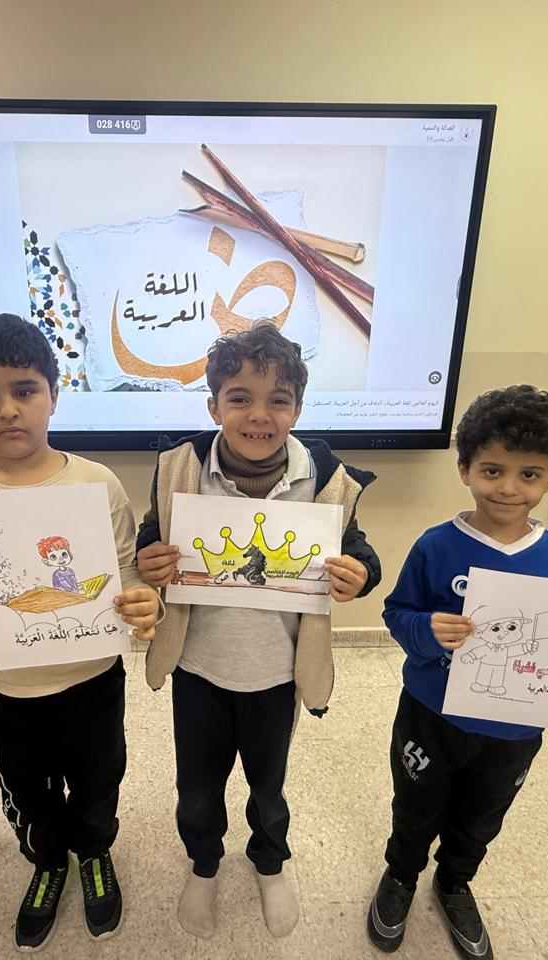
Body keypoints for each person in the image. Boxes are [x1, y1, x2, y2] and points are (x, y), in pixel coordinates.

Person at [366, 384, 548, 958]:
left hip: (516, 727)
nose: (509, 488)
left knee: (482, 815)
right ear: (464, 468)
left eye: (529, 475)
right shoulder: (436, 546)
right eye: (492, 470)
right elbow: (398, 613)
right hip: (433, 714)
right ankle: (401, 874)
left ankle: (454, 882)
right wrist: (426, 629)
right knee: (415, 806)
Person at [0, 313, 160, 952]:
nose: (7, 410)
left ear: (54, 393)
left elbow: (128, 573)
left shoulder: (97, 483)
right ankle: (48, 861)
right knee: (24, 790)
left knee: (100, 778)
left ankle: (95, 852)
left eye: (24, 390)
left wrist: (142, 601)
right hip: (3, 688)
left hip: (92, 678)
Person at [135, 322, 381, 940]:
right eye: (239, 398)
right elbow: (150, 538)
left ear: (298, 407)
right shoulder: (177, 468)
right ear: (213, 405)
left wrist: (360, 574)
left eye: (278, 400)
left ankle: (270, 861)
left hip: (277, 672)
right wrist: (148, 560)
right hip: (198, 667)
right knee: (197, 788)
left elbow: (358, 550)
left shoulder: (326, 478)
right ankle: (204, 863)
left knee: (269, 787)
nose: (259, 415)